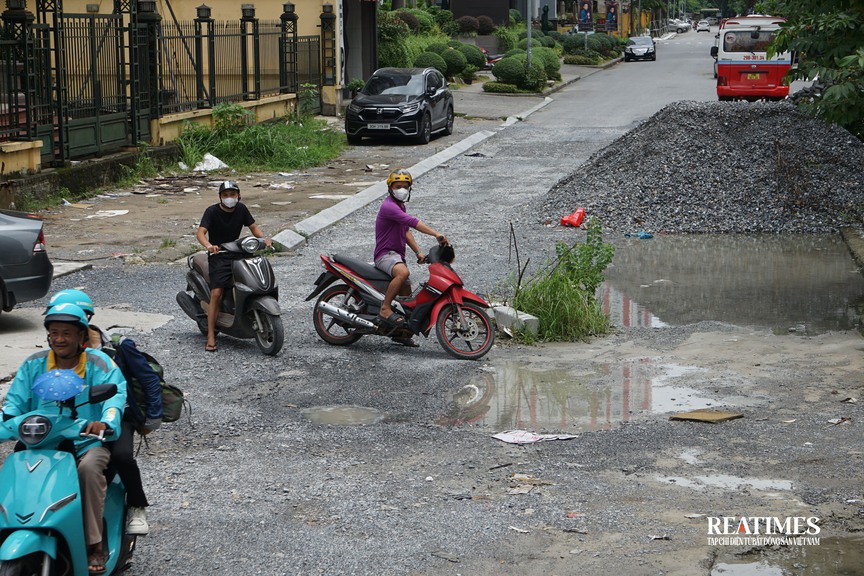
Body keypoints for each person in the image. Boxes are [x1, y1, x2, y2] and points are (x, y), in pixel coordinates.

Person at [2, 303, 126, 574]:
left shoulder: (98, 362)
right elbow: (14, 402)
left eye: (66, 333)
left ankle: (93, 545)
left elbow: (115, 397)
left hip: (87, 442)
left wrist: (105, 422)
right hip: (42, 442)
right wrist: (8, 418)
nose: (59, 339)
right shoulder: (34, 364)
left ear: (82, 337)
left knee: (89, 470)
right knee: (14, 469)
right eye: (54, 332)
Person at [46, 289, 162, 536]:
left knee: (121, 456)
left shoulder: (118, 346)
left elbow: (148, 379)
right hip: (75, 418)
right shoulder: (56, 353)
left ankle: (137, 506)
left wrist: (153, 417)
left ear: (85, 317)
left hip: (119, 416)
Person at [196, 180, 272, 352]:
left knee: (249, 281)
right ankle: (210, 335)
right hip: (219, 255)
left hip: (238, 253)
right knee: (217, 292)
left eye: (232, 194)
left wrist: (264, 240)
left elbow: (253, 227)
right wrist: (209, 246)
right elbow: (200, 232)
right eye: (225, 195)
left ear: (238, 195)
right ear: (220, 197)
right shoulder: (212, 211)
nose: (229, 198)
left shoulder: (242, 209)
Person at [374, 170, 447, 345]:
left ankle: (400, 334)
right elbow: (413, 223)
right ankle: (384, 309)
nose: (402, 190)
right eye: (398, 186)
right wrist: (436, 234)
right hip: (385, 255)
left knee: (407, 300)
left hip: (396, 256)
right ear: (390, 188)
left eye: (405, 187)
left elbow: (405, 231)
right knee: (403, 274)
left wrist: (418, 252)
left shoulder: (400, 206)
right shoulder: (389, 206)